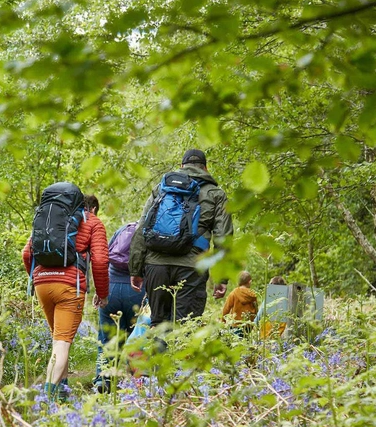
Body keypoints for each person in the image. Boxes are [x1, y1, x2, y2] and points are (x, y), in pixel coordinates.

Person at [128, 149, 233, 328]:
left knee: (158, 325)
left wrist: (135, 269)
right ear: (205, 168)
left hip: (156, 265)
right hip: (192, 267)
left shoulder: (161, 189)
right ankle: (176, 355)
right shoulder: (216, 194)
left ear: (181, 167)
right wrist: (221, 278)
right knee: (185, 327)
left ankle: (158, 354)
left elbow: (142, 228)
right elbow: (223, 236)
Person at [23, 191, 109, 400]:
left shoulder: (51, 218)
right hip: (69, 286)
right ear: (93, 207)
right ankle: (46, 400)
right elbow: (99, 261)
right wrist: (102, 293)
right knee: (62, 343)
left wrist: (37, 277)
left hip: (42, 283)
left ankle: (62, 394)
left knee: (60, 340)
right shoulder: (93, 222)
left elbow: (27, 253)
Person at [93, 219, 146, 393]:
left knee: (107, 338)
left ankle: (103, 380)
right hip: (137, 290)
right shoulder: (150, 233)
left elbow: (105, 260)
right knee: (137, 338)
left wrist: (100, 291)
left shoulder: (122, 230)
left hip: (111, 288)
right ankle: (137, 382)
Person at [222, 270, 258, 337]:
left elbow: (226, 308)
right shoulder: (253, 294)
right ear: (250, 282)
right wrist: (253, 322)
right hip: (248, 325)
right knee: (245, 340)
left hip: (236, 324)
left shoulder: (234, 293)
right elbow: (256, 309)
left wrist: (223, 321)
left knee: (236, 342)